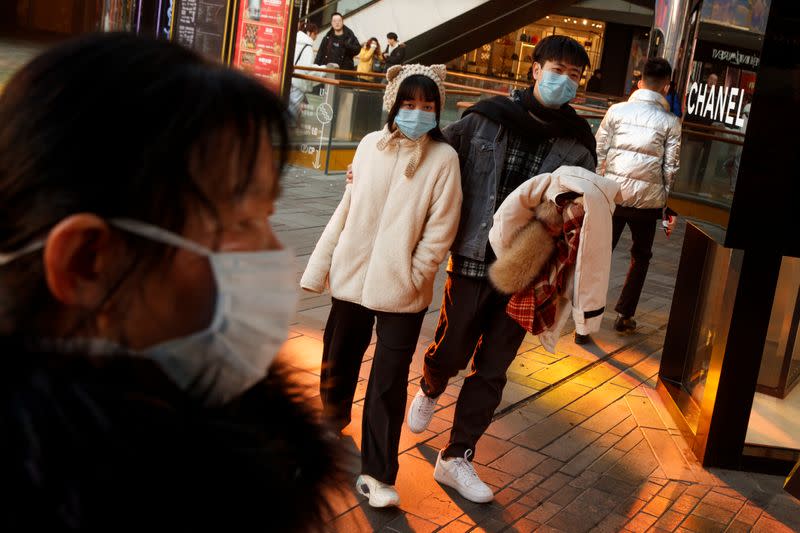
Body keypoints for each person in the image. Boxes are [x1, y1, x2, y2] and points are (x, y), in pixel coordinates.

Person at [0, 33, 341, 530]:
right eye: (242, 221)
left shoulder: (241, 432)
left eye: (270, 214)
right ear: (86, 261)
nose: (276, 253)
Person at [404, 35, 598, 504]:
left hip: (526, 272)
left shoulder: (579, 141)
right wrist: (377, 167)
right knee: (452, 349)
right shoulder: (483, 118)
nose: (564, 82)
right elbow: (434, 159)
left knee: (492, 369)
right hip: (472, 258)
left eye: (574, 76)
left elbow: (587, 207)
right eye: (557, 70)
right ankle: (431, 384)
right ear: (535, 69)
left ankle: (456, 457)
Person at [301, 65, 462, 508]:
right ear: (393, 103)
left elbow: (441, 229)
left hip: (402, 291)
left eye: (427, 106)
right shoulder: (370, 145)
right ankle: (331, 422)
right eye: (408, 104)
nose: (417, 113)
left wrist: (415, 273)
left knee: (388, 381)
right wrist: (324, 262)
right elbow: (347, 209)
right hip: (352, 277)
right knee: (338, 355)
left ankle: (378, 473)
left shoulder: (444, 159)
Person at [594, 57, 681, 333]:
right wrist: (666, 202)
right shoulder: (671, 122)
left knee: (599, 252)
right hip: (647, 202)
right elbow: (671, 167)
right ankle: (624, 314)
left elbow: (599, 151)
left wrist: (599, 186)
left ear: (640, 82)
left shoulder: (616, 111)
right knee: (641, 255)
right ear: (666, 87)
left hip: (613, 195)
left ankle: (586, 311)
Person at [290, 20, 319, 116]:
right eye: (315, 33)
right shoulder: (307, 47)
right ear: (309, 33)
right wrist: (323, 69)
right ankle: (288, 127)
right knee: (293, 107)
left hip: (289, 78)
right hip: (298, 82)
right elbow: (307, 68)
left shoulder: (294, 41)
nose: (316, 36)